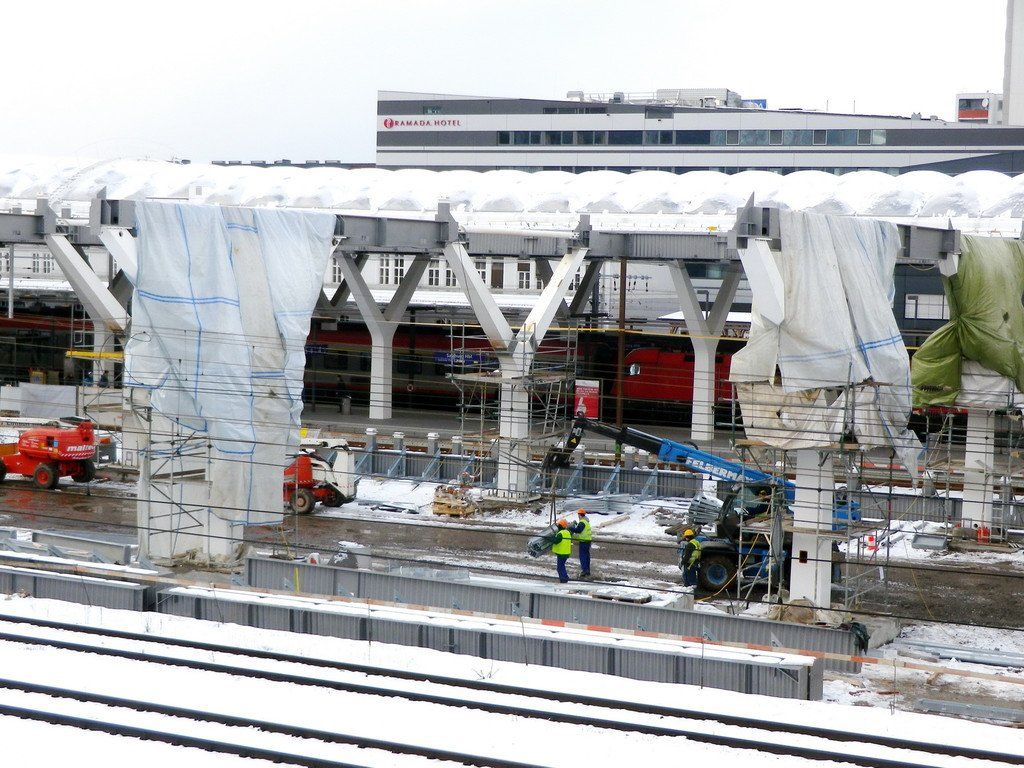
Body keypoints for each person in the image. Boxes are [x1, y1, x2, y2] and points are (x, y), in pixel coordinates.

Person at [570, 508, 592, 579]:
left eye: (578, 514)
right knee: (587, 556)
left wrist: (571, 528)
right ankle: (587, 570)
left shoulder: (582, 522)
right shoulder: (586, 521)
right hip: (588, 540)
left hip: (584, 541)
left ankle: (584, 570)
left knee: (583, 556)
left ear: (579, 515)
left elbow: (579, 530)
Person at [551, 519, 572, 584]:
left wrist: (550, 538)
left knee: (560, 567)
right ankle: (565, 577)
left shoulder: (561, 533)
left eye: (559, 525)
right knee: (562, 566)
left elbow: (556, 541)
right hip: (566, 553)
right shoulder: (567, 532)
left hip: (561, 553)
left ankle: (563, 579)